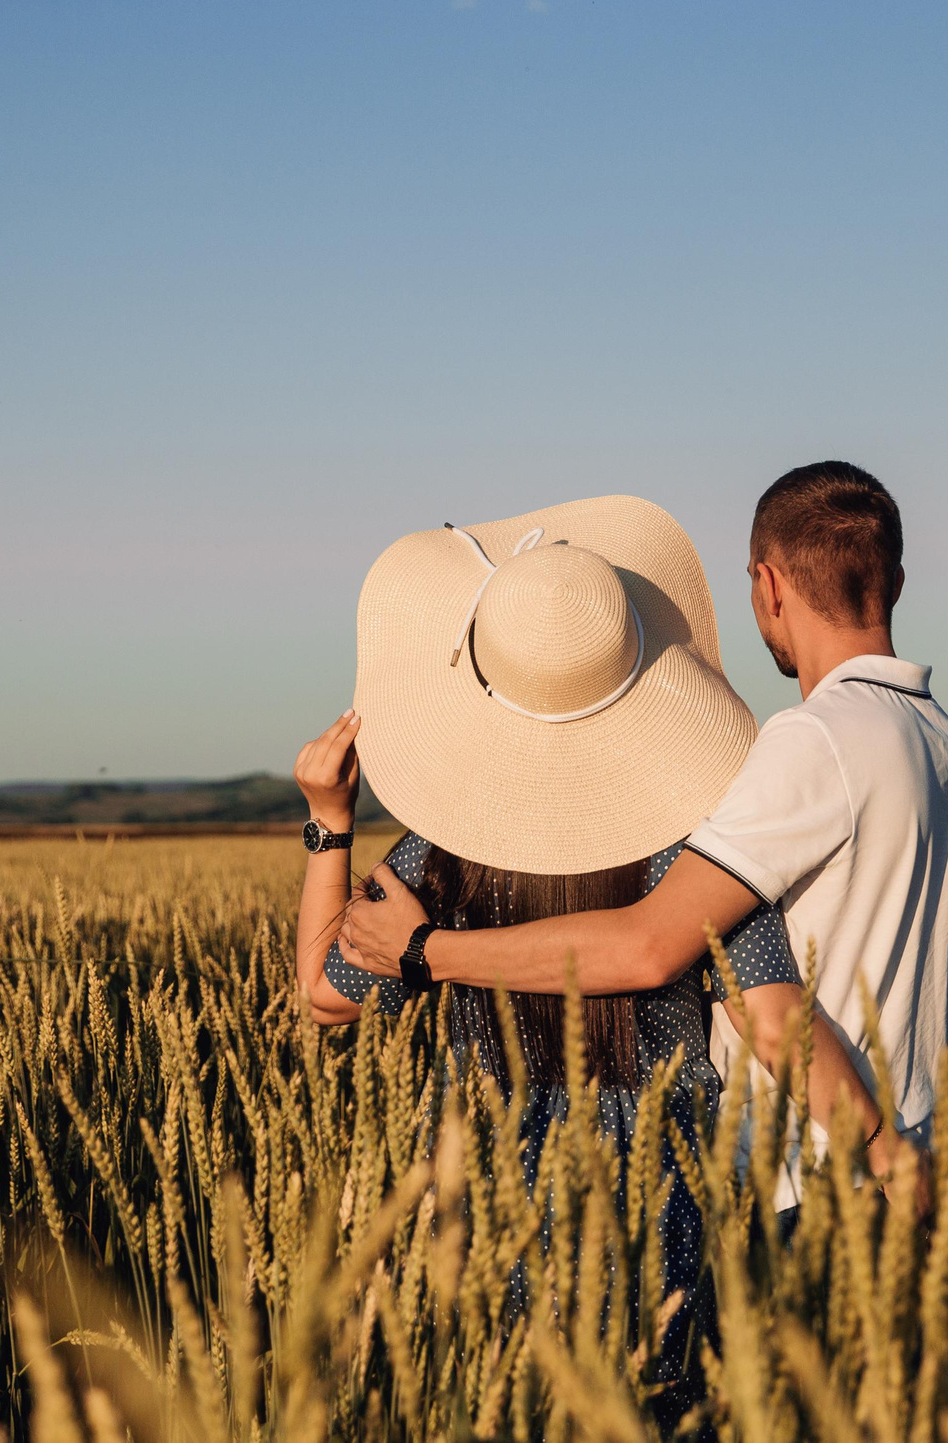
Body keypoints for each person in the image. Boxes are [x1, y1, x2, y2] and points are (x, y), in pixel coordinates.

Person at [288, 494, 887, 1424]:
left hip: (491, 1199)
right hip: (660, 1206)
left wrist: (331, 824)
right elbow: (770, 1017)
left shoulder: (443, 846)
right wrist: (886, 1149)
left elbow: (326, 994)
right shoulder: (699, 840)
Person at [343, 462, 948, 1217]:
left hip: (802, 1175)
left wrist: (426, 950)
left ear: (769, 585)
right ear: (899, 581)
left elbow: (658, 949)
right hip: (903, 1165)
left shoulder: (813, 741)